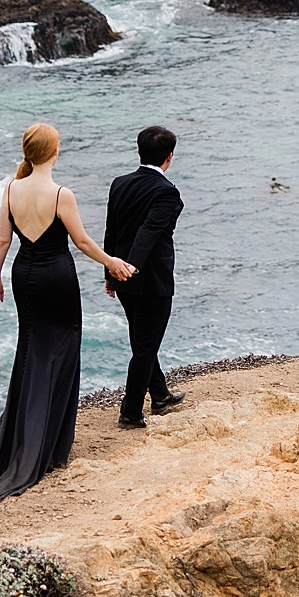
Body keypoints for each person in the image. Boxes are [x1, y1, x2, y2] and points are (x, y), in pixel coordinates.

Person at [0, 123, 133, 504]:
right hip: (56, 277)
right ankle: (52, 448)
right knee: (61, 351)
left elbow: (3, 239)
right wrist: (111, 262)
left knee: (32, 353)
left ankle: (27, 439)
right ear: (54, 152)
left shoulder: (11, 188)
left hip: (23, 275)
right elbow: (82, 241)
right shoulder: (61, 194)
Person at [104, 124, 186, 429]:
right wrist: (133, 266)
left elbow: (111, 230)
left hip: (123, 278)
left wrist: (111, 271)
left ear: (139, 152)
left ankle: (161, 394)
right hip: (151, 281)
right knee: (145, 346)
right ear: (169, 156)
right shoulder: (166, 191)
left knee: (142, 340)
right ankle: (131, 412)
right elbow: (150, 231)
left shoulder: (119, 183)